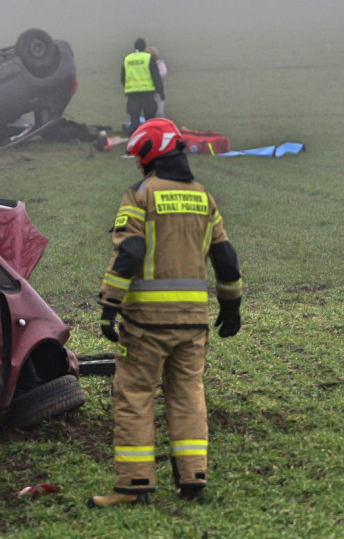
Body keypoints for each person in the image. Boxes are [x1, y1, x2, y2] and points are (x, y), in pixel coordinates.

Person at [89, 118, 243, 508]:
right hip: (193, 322)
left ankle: (133, 485)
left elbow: (130, 253)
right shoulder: (203, 197)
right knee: (188, 394)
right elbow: (225, 257)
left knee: (135, 395)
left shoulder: (141, 195)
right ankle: (193, 480)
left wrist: (109, 304)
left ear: (149, 156)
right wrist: (231, 304)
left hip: (145, 324)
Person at [121, 38, 164, 133]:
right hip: (147, 94)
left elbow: (122, 78)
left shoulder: (127, 59)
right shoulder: (149, 58)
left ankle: (133, 140)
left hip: (132, 94)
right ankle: (151, 139)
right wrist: (161, 92)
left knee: (134, 120)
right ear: (144, 47)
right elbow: (156, 77)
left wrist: (129, 87)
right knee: (150, 121)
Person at [146, 46, 168, 118]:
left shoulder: (159, 63)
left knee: (159, 113)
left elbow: (163, 74)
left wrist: (154, 76)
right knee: (149, 114)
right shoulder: (145, 64)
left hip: (158, 92)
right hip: (148, 92)